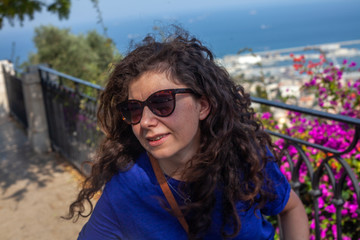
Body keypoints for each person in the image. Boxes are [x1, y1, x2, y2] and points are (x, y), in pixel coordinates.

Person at [66, 29, 309, 239]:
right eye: (134, 110)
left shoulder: (243, 156)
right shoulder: (128, 187)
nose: (146, 122)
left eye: (162, 103)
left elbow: (290, 209)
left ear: (202, 106)